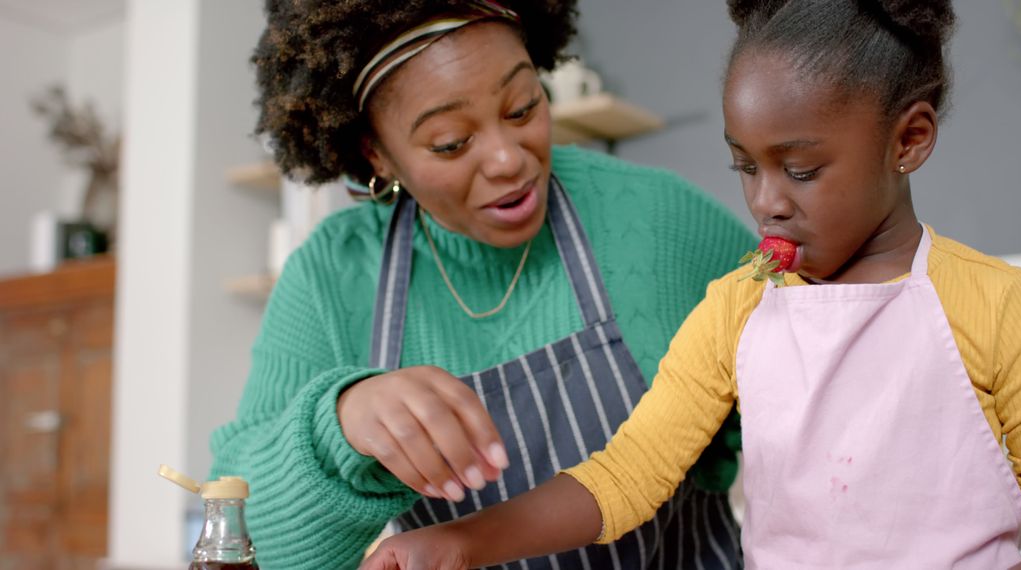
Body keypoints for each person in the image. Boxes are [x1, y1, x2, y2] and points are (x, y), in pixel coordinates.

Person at [360, 0, 1021, 568]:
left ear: (908, 140)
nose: (766, 199)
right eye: (745, 165)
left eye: (800, 169)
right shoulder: (737, 309)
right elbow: (630, 472)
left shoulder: (997, 305)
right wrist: (459, 542)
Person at [208, 1, 756, 569]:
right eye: (450, 142)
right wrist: (339, 428)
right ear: (378, 153)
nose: (506, 159)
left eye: (522, 109)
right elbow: (242, 531)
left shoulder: (657, 219)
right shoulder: (332, 276)